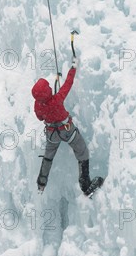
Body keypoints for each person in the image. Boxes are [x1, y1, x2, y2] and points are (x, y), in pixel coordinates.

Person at [31, 57, 93, 194]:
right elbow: (68, 84)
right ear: (47, 92)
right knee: (82, 150)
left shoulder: (38, 104)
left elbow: (40, 117)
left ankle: (41, 183)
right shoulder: (57, 100)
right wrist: (73, 67)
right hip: (66, 130)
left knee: (48, 156)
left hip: (52, 134)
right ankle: (84, 182)